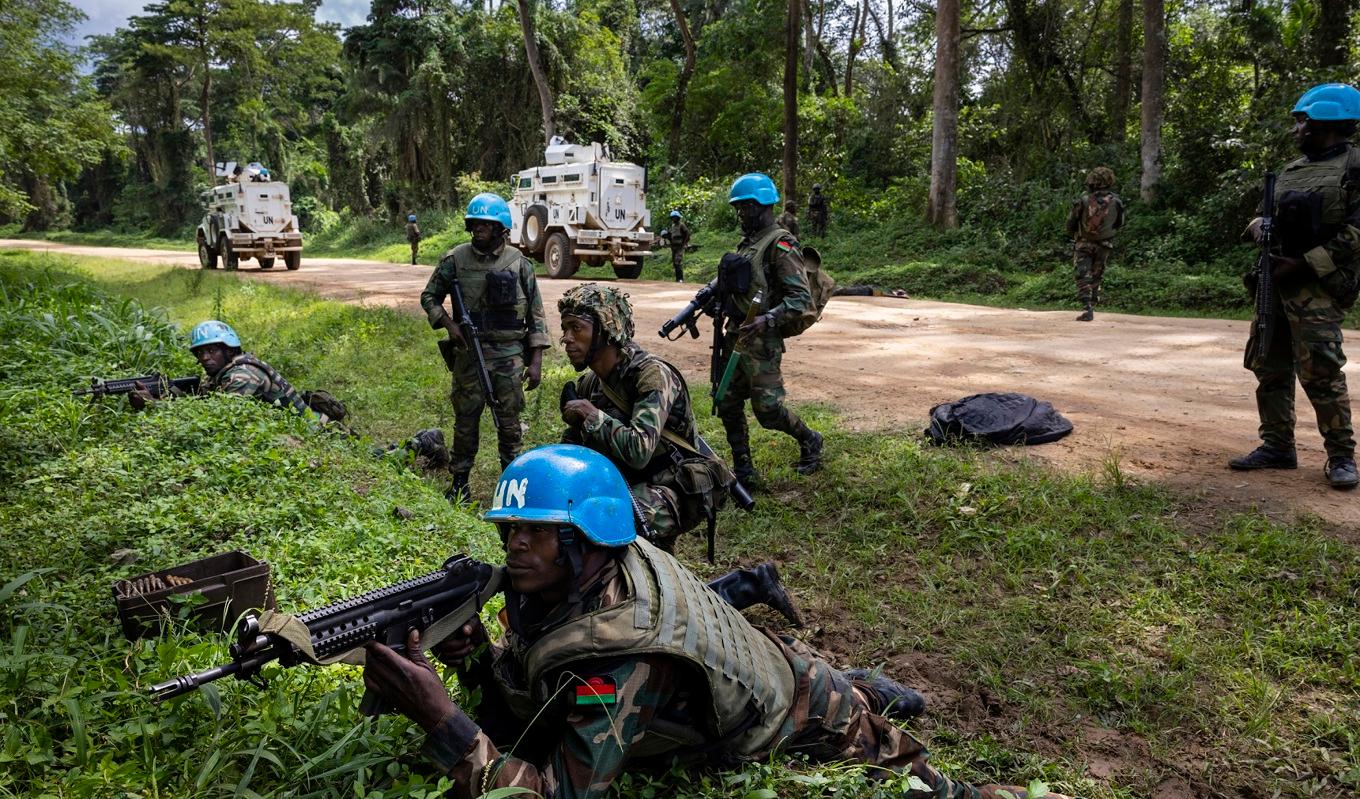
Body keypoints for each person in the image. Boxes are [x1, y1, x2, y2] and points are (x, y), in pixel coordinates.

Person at [361, 445, 1067, 799]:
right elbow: (541, 693)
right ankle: (864, 683)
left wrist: (446, 723)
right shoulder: (582, 572)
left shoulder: (624, 657)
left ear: (584, 539)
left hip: (798, 707)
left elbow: (561, 789)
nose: (515, 543)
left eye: (536, 532)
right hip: (754, 656)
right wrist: (478, 657)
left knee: (927, 785)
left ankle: (864, 695)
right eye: (510, 527)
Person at [1230, 83, 1360, 489]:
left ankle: (1341, 456)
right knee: (1269, 365)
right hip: (1276, 282)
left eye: (1302, 121)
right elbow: (1265, 217)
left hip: (1316, 287)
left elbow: (1357, 232)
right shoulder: (1290, 170)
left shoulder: (1355, 168)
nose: (1296, 130)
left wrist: (1304, 264)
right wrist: (1258, 227)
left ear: (1325, 121)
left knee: (1321, 371)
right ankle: (1277, 446)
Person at [420, 193, 550, 500]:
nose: (478, 229)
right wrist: (449, 325)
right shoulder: (456, 259)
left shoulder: (519, 264)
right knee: (465, 421)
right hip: (468, 354)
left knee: (509, 425)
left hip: (508, 356)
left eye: (486, 224)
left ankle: (512, 486)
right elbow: (429, 296)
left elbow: (536, 314)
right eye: (474, 223)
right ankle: (460, 482)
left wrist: (536, 361)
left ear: (501, 228)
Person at [717, 172, 823, 484]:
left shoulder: (781, 244)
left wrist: (767, 319)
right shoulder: (748, 243)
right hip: (737, 336)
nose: (741, 215)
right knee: (727, 401)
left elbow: (801, 299)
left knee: (768, 410)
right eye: (738, 209)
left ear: (763, 206)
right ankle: (744, 469)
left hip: (762, 341)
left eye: (745, 208)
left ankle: (810, 439)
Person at [128, 320, 320, 418]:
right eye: (200, 353)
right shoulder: (222, 373)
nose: (204, 357)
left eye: (212, 350)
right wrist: (164, 390)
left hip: (320, 433)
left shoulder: (243, 375)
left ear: (228, 350)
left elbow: (219, 416)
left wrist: (154, 405)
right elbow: (202, 398)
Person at [1064, 166, 1126, 321]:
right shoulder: (1117, 202)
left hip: (1084, 243)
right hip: (1104, 245)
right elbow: (1120, 223)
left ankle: (1087, 307)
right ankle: (1092, 305)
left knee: (1082, 274)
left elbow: (1071, 222)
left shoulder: (1084, 200)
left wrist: (1073, 235)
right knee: (1097, 275)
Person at [663, 210, 690, 282]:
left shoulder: (681, 225)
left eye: (675, 218)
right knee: (675, 263)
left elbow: (687, 233)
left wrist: (684, 243)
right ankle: (677, 279)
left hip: (680, 246)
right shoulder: (673, 226)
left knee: (678, 261)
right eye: (673, 218)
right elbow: (672, 236)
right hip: (673, 246)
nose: (674, 219)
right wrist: (667, 236)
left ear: (678, 218)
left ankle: (681, 279)